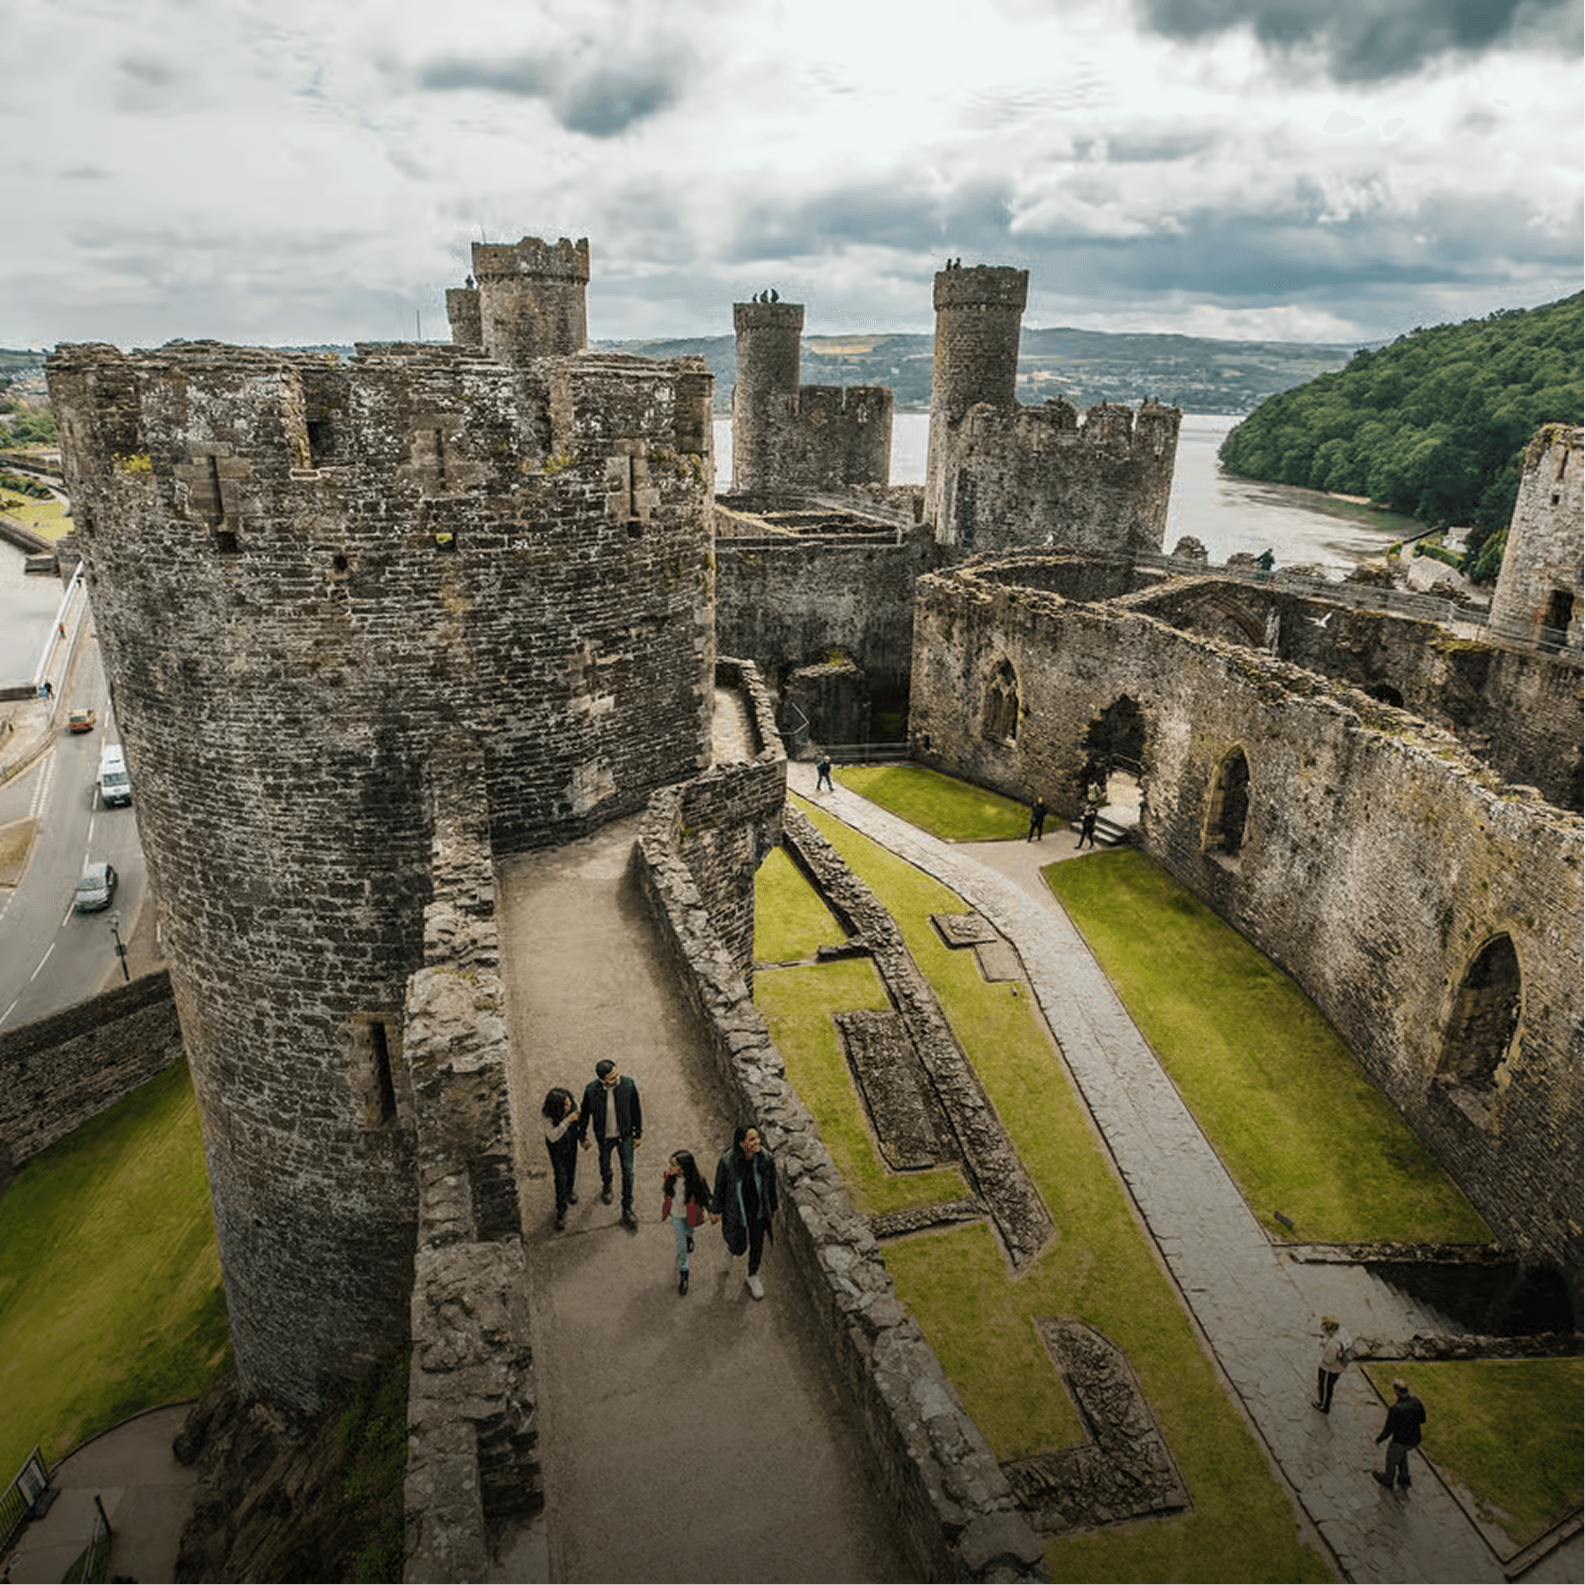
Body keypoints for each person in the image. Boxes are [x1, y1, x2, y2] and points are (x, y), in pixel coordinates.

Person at [711, 1124, 778, 1299]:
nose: (757, 1142)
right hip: (736, 1209)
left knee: (757, 1245)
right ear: (741, 1143)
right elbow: (720, 1186)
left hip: (758, 1210)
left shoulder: (766, 1159)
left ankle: (752, 1276)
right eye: (752, 1139)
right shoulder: (727, 1161)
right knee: (739, 1246)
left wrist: (773, 1208)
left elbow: (771, 1187)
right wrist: (715, 1209)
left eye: (757, 1138)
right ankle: (732, 1249)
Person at [579, 1059, 643, 1227]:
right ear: (603, 1080)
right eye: (612, 1076)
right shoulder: (591, 1091)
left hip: (625, 1136)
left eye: (617, 1073)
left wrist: (638, 1134)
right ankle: (607, 1184)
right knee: (605, 1163)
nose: (617, 1077)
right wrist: (582, 1135)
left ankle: (627, 1208)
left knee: (628, 1172)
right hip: (604, 1138)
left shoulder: (628, 1085)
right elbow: (584, 1114)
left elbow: (636, 1109)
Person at [660, 1149, 713, 1296]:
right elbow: (667, 1195)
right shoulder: (670, 1178)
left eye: (674, 1165)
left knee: (689, 1232)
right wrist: (665, 1211)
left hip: (690, 1216)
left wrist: (712, 1211)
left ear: (684, 1168)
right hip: (676, 1215)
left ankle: (689, 1237)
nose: (670, 1168)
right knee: (681, 1245)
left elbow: (706, 1197)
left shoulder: (697, 1182)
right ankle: (684, 1273)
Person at [1373, 1377, 1426, 1490]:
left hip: (1401, 1440)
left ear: (1397, 1391)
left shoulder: (1395, 1409)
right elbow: (1422, 1420)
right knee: (1401, 1454)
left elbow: (1389, 1429)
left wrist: (1379, 1439)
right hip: (1414, 1439)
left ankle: (1388, 1479)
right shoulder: (1416, 1401)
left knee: (1391, 1458)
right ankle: (1404, 1478)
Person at [541, 1086, 580, 1231]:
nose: (569, 1105)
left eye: (568, 1101)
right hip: (557, 1147)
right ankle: (561, 1210)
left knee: (571, 1168)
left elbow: (579, 1118)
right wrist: (567, 1121)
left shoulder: (572, 1105)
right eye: (565, 1104)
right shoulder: (547, 1116)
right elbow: (552, 1136)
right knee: (560, 1177)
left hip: (571, 1142)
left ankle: (570, 1190)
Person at [1313, 1315, 1351, 1413]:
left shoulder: (1333, 1344)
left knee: (1326, 1385)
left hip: (1330, 1368)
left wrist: (1325, 1346)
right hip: (1340, 1366)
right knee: (1330, 1383)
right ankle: (1323, 1395)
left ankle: (1323, 1405)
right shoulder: (1342, 1330)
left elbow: (1328, 1360)